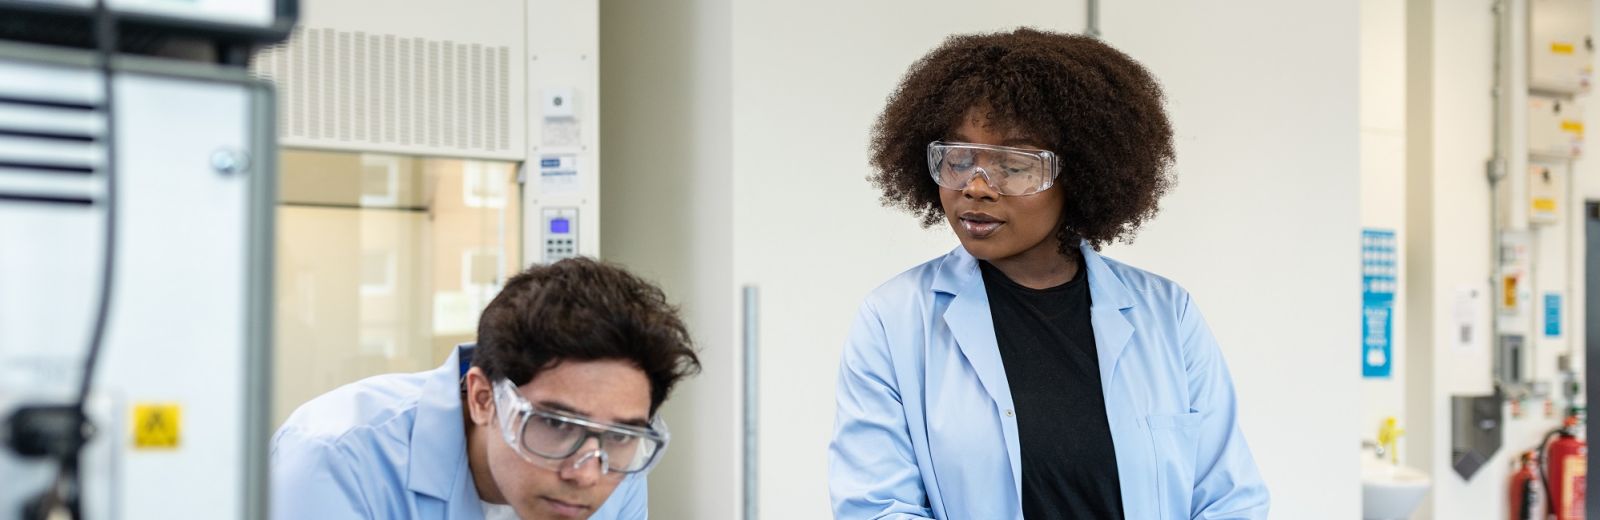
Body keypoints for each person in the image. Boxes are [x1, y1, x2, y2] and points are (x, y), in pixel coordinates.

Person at [829, 28, 1269, 519]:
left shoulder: (1168, 315)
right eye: (959, 159)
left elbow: (1229, 500)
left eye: (1014, 166)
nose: (976, 186)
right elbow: (877, 507)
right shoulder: (894, 321)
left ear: (1078, 175)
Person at [272, 258, 700, 519]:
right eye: (555, 424)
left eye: (622, 434)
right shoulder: (336, 457)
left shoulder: (613, 463)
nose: (586, 474)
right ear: (482, 398)